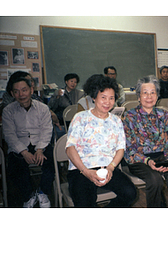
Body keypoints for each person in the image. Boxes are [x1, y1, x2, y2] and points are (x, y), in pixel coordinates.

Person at [66, 75, 136, 207]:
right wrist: (86, 171)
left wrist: (111, 167)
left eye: (111, 98)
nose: (107, 102)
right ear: (93, 97)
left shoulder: (116, 121)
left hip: (107, 168)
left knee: (130, 193)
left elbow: (120, 149)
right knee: (85, 202)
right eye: (103, 97)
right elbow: (70, 148)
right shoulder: (80, 118)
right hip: (81, 169)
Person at [123, 75, 168, 207]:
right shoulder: (130, 116)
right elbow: (129, 149)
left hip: (162, 156)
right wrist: (147, 161)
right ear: (138, 96)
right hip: (139, 159)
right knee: (155, 180)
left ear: (157, 96)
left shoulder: (164, 115)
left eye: (153, 93)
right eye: (145, 93)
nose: (149, 96)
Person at [2, 76, 55, 207]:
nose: (21, 94)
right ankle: (28, 196)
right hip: (19, 145)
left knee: (50, 161)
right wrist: (24, 152)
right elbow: (9, 135)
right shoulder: (8, 111)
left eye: (24, 90)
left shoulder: (43, 108)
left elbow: (47, 130)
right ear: (12, 94)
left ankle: (43, 193)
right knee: (16, 166)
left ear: (31, 90)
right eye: (17, 91)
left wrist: (40, 149)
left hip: (40, 143)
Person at [48, 73, 84, 138]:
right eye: (71, 81)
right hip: (62, 118)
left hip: (75, 118)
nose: (73, 84)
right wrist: (57, 97)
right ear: (66, 82)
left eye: (75, 82)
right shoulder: (58, 92)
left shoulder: (80, 94)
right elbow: (52, 107)